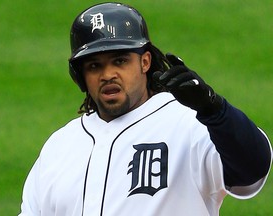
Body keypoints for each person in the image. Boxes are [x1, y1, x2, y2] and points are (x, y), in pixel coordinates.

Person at [18, 2, 272, 216]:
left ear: (145, 61)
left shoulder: (188, 124)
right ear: (80, 76)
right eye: (94, 66)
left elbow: (252, 170)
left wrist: (214, 110)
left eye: (120, 61)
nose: (108, 75)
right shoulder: (60, 147)